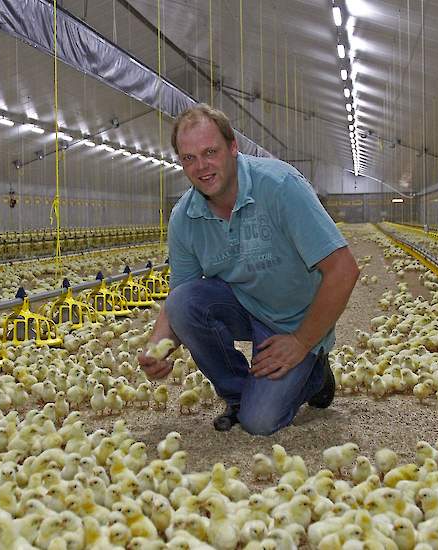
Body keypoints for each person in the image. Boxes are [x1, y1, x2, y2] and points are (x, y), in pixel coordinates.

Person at [138, 104, 359, 435]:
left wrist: (300, 341)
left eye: (210, 152)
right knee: (184, 302)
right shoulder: (185, 216)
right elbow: (178, 299)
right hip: (244, 303)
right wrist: (158, 348)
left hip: (292, 319)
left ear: (232, 148)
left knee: (261, 422)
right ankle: (239, 395)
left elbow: (344, 269)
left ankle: (314, 372)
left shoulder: (280, 186)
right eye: (189, 158)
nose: (201, 166)